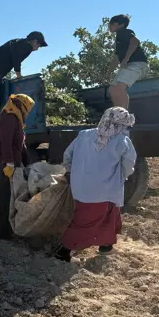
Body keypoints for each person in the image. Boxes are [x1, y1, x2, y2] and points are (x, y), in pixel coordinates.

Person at [55, 107, 137, 261]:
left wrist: (72, 172)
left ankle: (106, 246)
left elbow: (68, 155)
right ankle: (63, 252)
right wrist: (123, 176)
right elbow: (129, 163)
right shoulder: (122, 141)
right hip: (105, 188)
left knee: (109, 214)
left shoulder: (84, 134)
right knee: (86, 222)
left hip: (81, 186)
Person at [0, 93, 35, 240]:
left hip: (9, 164)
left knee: (9, 198)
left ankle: (6, 230)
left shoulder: (17, 119)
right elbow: (5, 142)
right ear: (22, 106)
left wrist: (28, 164)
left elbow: (21, 145)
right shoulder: (9, 117)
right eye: (27, 109)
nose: (27, 112)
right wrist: (9, 163)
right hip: (0, 164)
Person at [105, 15, 149, 109]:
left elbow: (135, 41)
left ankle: (123, 115)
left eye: (112, 23)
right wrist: (109, 73)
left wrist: (126, 59)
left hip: (137, 63)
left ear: (121, 25)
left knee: (120, 88)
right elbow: (116, 58)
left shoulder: (124, 32)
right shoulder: (118, 39)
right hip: (129, 65)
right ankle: (118, 111)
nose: (109, 25)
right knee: (112, 89)